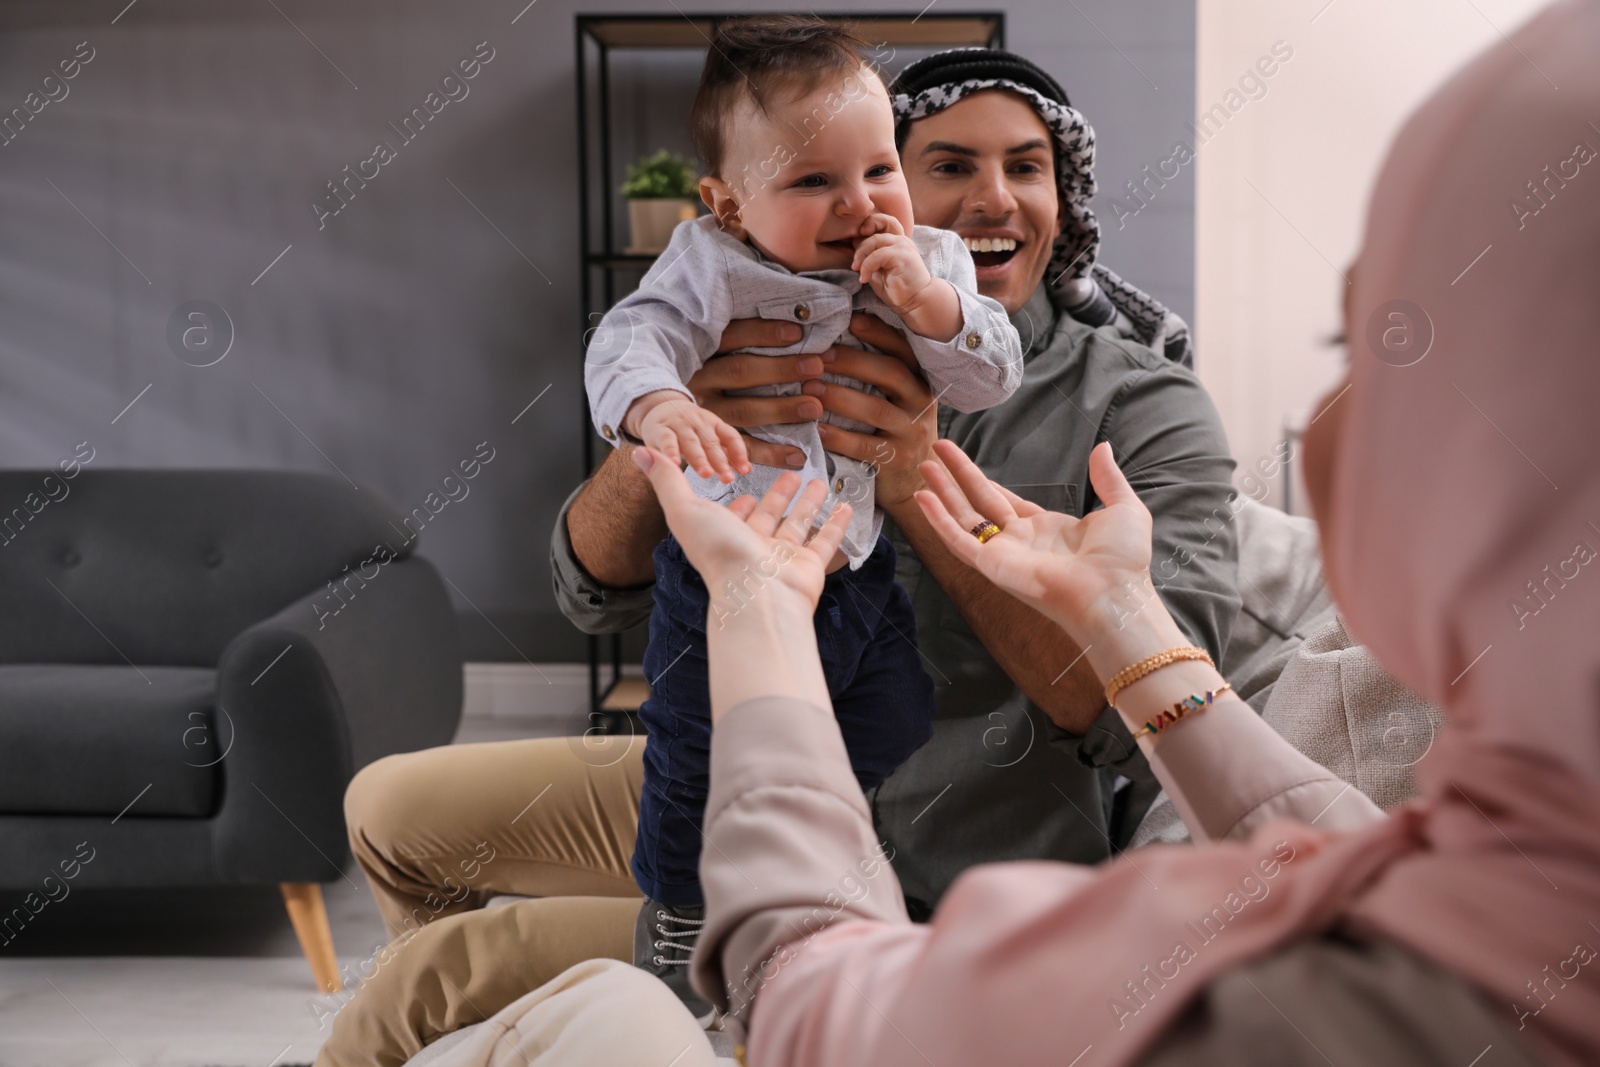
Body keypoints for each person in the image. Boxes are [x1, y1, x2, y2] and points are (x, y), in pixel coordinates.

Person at [314, 43, 1239, 1067]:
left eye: (1026, 167)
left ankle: (627, 981)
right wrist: (666, 432)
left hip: (938, 851)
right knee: (387, 809)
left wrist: (911, 484)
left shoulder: (1141, 402)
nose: (993, 199)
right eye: (949, 167)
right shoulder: (748, 311)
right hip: (733, 759)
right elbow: (588, 594)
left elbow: (1135, 720)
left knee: (429, 977)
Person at [584, 19, 1021, 1000]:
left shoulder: (934, 262)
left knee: (890, 711)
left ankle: (813, 851)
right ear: (727, 204)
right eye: (812, 182)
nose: (859, 205)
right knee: (697, 744)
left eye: (878, 170)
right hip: (723, 560)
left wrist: (933, 311)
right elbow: (629, 338)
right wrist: (657, 402)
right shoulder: (707, 265)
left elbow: (989, 372)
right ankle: (680, 907)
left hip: (853, 558)